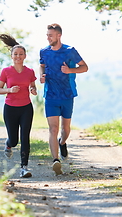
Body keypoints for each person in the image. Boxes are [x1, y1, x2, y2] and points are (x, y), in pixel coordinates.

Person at [39, 23, 88, 175]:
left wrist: (70, 70)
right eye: (47, 35)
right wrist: (42, 75)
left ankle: (63, 142)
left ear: (59, 35)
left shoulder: (70, 51)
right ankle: (55, 160)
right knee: (53, 128)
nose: (48, 38)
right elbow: (42, 65)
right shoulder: (44, 52)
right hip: (51, 95)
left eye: (50, 35)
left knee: (65, 130)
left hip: (67, 95)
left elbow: (84, 67)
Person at [0, 34, 37, 178]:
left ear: (25, 56)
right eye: (15, 54)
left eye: (21, 54)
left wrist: (33, 90)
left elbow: (33, 85)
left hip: (26, 107)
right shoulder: (6, 71)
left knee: (25, 137)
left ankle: (24, 168)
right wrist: (9, 90)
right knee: (14, 140)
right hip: (10, 108)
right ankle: (8, 144)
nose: (18, 56)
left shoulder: (30, 71)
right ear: (11, 56)